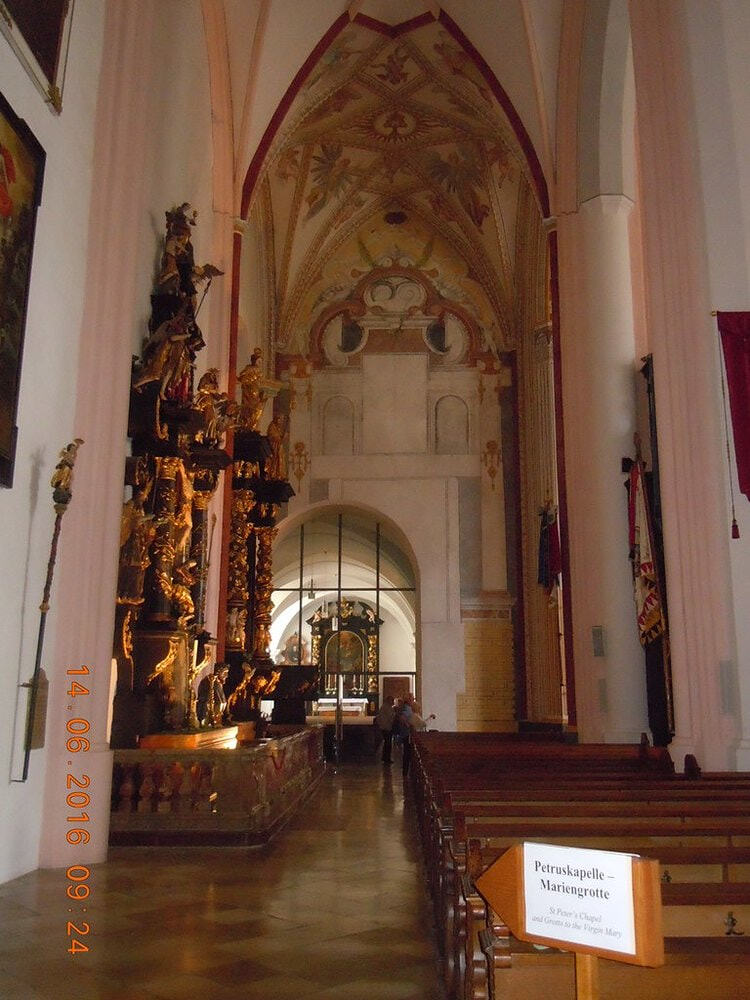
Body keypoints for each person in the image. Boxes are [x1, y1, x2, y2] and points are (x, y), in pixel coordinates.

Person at [374, 696, 395, 765]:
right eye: (392, 700)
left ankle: (385, 757)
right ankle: (386, 758)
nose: (393, 702)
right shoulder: (387, 707)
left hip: (384, 727)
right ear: (389, 701)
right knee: (388, 743)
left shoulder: (384, 707)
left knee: (387, 743)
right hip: (386, 727)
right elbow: (391, 716)